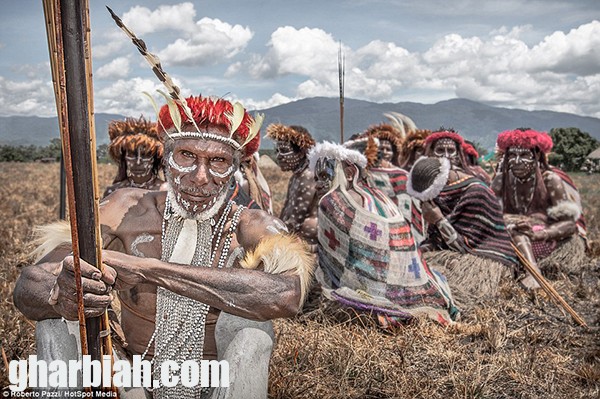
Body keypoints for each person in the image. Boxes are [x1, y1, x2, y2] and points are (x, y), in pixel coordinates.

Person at [14, 96, 315, 398]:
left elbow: (286, 295)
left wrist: (146, 270)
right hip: (132, 380)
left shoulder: (252, 226)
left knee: (252, 332)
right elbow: (29, 283)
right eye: (186, 155)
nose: (199, 178)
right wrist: (60, 291)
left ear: (235, 167)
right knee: (55, 322)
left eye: (218, 161)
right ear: (167, 157)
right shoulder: (126, 209)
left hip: (215, 384)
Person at [308, 141, 458, 327]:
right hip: (414, 282)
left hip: (372, 293)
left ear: (348, 174)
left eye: (324, 176)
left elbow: (332, 260)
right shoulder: (378, 196)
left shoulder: (331, 201)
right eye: (316, 178)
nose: (318, 185)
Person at [408, 156, 518, 308]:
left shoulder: (476, 193)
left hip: (482, 256)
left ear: (443, 183)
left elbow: (466, 247)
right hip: (452, 253)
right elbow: (435, 239)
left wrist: (439, 220)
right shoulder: (441, 194)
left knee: (441, 283)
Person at [491, 128, 587, 289]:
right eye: (512, 155)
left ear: (536, 156)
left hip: (541, 239)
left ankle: (533, 273)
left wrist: (538, 233)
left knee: (518, 230)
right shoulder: (501, 180)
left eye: (524, 155)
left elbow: (570, 225)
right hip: (508, 237)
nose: (517, 161)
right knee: (513, 228)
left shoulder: (550, 180)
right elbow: (490, 214)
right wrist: (509, 219)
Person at [265, 123, 319, 250]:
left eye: (283, 151)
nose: (278, 156)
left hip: (308, 246)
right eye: (277, 151)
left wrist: (272, 241)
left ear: (301, 153)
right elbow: (286, 212)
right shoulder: (297, 176)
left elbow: (295, 220)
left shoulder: (307, 176)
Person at [103, 116, 166, 198]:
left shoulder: (166, 192)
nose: (138, 162)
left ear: (154, 158)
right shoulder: (113, 192)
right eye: (132, 155)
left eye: (145, 155)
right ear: (124, 157)